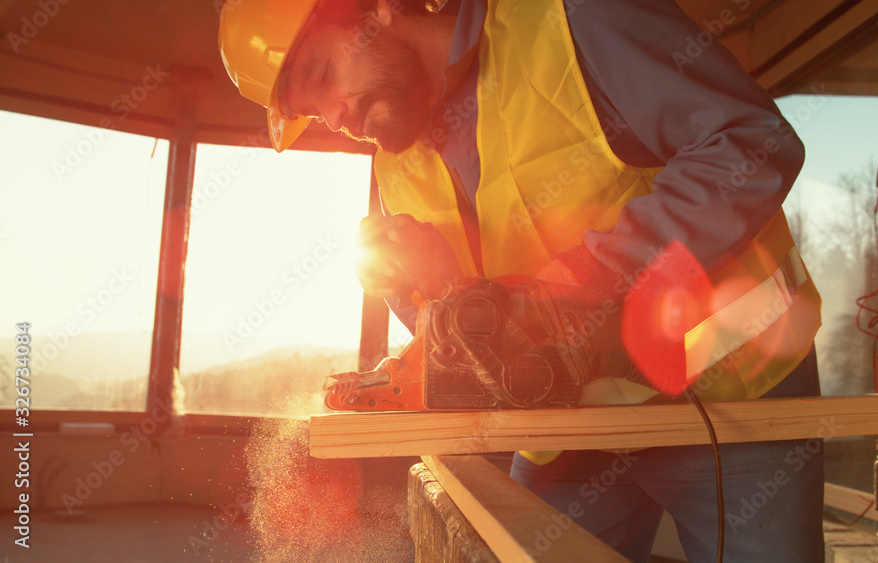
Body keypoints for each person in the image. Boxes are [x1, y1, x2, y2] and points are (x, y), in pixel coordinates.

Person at [219, 0, 826, 560]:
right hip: (561, 429)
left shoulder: (572, 21)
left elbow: (750, 143)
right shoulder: (393, 153)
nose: (337, 118)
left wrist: (598, 271)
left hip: (731, 402)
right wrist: (422, 283)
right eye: (313, 113)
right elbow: (481, 327)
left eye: (322, 75)